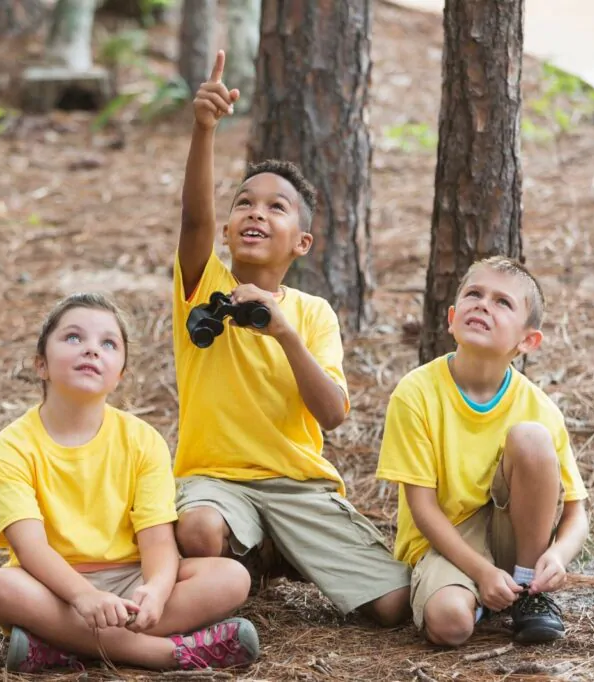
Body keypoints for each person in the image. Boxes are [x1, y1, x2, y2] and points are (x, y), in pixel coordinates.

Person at [171, 50, 411, 626]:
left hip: (297, 486)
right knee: (198, 529)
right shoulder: (204, 287)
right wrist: (204, 130)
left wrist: (284, 333)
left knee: (394, 606)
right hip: (216, 483)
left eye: (276, 208)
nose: (256, 213)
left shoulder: (313, 313)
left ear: (302, 242)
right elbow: (193, 220)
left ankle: (280, 548)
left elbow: (332, 414)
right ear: (228, 229)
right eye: (244, 204)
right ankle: (249, 557)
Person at [0, 293, 260, 673]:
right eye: (74, 337)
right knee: (0, 588)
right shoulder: (12, 447)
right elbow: (31, 548)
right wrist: (83, 596)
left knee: (231, 577)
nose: (91, 350)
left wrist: (156, 591)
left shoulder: (142, 440)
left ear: (120, 375)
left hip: (131, 580)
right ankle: (167, 653)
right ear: (41, 364)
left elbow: (157, 541)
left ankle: (62, 647)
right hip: (53, 587)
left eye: (108, 343)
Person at [376, 257, 590, 646]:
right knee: (450, 625)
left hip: (516, 541)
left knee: (531, 438)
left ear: (527, 341)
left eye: (502, 302)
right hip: (445, 542)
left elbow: (577, 513)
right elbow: (422, 509)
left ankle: (527, 593)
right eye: (474, 294)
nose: (483, 305)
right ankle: (480, 596)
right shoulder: (416, 393)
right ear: (452, 318)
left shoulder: (539, 407)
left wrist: (558, 556)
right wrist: (481, 571)